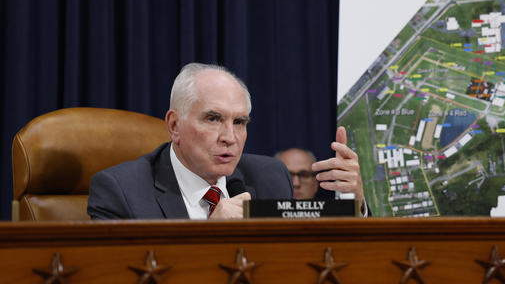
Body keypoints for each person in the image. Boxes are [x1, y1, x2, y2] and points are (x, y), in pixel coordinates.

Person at [88, 62, 365, 219]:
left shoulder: (268, 176)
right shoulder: (121, 191)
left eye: (239, 122)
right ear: (174, 125)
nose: (230, 138)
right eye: (213, 119)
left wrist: (356, 204)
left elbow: (314, 257)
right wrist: (209, 239)